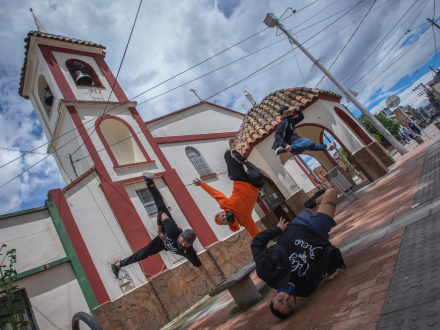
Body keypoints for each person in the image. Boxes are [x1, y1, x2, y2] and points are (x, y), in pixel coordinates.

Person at [110, 172, 223, 287]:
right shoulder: (173, 230)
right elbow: (161, 215)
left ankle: (118, 265)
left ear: (191, 245)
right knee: (161, 208)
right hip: (164, 236)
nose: (183, 244)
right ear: (180, 236)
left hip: (164, 245)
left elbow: (202, 268)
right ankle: (149, 181)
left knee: (143, 254)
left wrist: (215, 283)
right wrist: (159, 232)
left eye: (187, 244)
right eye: (183, 240)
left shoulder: (190, 252)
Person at [251, 189, 346, 319]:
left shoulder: (267, 272)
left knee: (313, 206)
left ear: (273, 295)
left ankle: (313, 201)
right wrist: (330, 269)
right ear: (295, 304)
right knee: (332, 192)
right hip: (318, 231)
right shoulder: (307, 289)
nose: (287, 298)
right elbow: (318, 261)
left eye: (280, 300)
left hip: (298, 225)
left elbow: (257, 243)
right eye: (289, 304)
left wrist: (278, 229)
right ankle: (313, 201)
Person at [193, 150, 264, 238]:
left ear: (222, 212)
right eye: (224, 220)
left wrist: (201, 184)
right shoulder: (244, 220)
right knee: (259, 177)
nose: (225, 217)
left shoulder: (225, 204)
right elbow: (255, 233)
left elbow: (214, 193)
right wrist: (262, 246)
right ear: (227, 223)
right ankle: (244, 160)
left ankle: (235, 164)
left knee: (228, 153)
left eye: (222, 215)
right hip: (254, 185)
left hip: (240, 181)